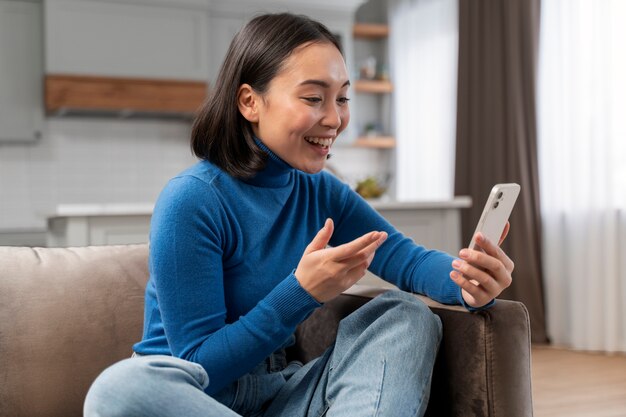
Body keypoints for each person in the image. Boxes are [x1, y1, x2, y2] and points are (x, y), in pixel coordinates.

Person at [84, 12, 513, 417]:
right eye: (313, 98)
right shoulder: (192, 201)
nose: (335, 118)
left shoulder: (320, 191)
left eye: (342, 98)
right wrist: (300, 292)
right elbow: (201, 366)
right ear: (250, 102)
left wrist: (468, 280)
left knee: (405, 315)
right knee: (119, 389)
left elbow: (407, 259)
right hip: (193, 396)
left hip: (282, 393)